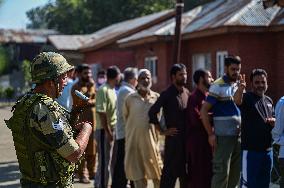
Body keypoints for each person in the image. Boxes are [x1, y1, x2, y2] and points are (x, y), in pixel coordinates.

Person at [5, 52, 92, 187]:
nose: (66, 82)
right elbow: (74, 154)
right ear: (51, 81)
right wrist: (87, 128)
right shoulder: (45, 109)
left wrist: (75, 111)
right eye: (63, 77)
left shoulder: (25, 102)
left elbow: (47, 136)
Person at [201, 55, 244, 188]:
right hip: (223, 138)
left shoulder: (239, 84)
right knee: (221, 175)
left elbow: (238, 104)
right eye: (233, 69)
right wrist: (210, 134)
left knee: (235, 175)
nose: (236, 72)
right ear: (225, 68)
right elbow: (204, 111)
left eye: (238, 69)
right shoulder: (217, 85)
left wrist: (241, 89)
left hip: (238, 137)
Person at [149, 64, 190, 188]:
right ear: (173, 77)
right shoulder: (167, 94)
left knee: (185, 176)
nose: (184, 77)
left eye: (185, 74)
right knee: (169, 177)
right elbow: (152, 112)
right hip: (173, 142)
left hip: (186, 141)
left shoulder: (187, 92)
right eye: (181, 74)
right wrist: (162, 131)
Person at [124, 69, 162, 188]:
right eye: (142, 78)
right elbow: (126, 118)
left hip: (151, 143)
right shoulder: (130, 98)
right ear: (137, 80)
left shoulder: (156, 97)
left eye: (148, 78)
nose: (145, 80)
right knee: (138, 177)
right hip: (134, 143)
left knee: (157, 175)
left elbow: (160, 120)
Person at [239, 69, 274, 188]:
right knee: (248, 185)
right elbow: (237, 101)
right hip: (251, 151)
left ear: (267, 83)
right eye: (257, 82)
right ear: (251, 84)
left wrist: (274, 122)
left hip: (267, 151)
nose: (260, 85)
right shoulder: (247, 97)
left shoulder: (269, 100)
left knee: (264, 185)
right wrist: (240, 89)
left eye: (263, 82)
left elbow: (273, 120)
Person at [186, 69, 214, 188]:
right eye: (209, 76)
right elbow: (196, 120)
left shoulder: (208, 97)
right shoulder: (194, 98)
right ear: (202, 79)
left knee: (208, 174)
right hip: (198, 143)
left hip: (208, 142)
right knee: (198, 175)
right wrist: (211, 117)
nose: (212, 79)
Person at [95, 66, 121, 188]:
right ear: (116, 76)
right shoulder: (102, 90)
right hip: (103, 130)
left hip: (112, 129)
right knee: (104, 162)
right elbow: (101, 112)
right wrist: (108, 132)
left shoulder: (112, 89)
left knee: (111, 161)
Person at [112, 67, 138, 188]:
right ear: (133, 79)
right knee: (123, 164)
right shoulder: (127, 91)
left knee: (124, 163)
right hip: (126, 133)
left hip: (124, 132)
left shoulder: (124, 89)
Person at [71, 64, 97, 183]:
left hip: (93, 121)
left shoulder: (91, 85)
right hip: (81, 122)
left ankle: (92, 172)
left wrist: (91, 96)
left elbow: (97, 100)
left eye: (90, 73)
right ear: (80, 74)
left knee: (93, 147)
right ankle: (82, 174)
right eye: (86, 73)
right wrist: (91, 98)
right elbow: (83, 102)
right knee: (83, 148)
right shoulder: (76, 87)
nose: (89, 75)